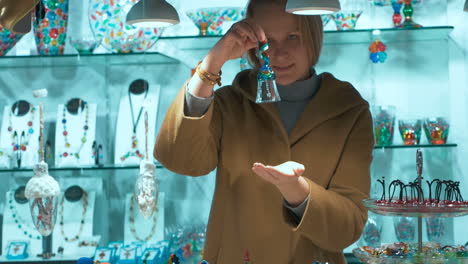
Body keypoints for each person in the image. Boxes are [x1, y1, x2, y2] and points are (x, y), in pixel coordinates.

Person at [154, 0, 374, 263]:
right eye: (266, 39)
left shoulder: (348, 110)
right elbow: (180, 160)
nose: (279, 54)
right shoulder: (229, 104)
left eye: (293, 36)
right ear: (252, 43)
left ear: (314, 37)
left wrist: (298, 191)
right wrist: (212, 63)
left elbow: (347, 229)